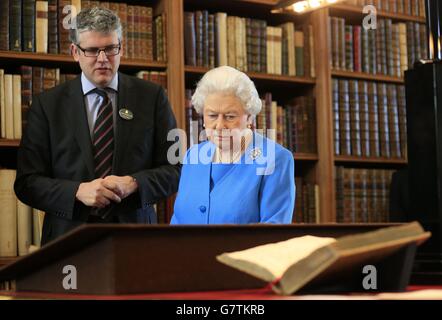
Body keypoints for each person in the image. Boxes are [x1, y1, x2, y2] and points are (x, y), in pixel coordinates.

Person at [14, 7, 180, 245]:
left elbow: (175, 169)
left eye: (111, 49)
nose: (103, 59)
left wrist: (135, 183)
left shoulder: (152, 97)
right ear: (75, 52)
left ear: (121, 47)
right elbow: (27, 182)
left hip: (135, 239)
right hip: (67, 241)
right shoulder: (47, 105)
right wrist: (77, 192)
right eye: (92, 50)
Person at [170, 66, 295, 224]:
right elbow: (178, 222)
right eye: (212, 115)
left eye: (230, 116)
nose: (219, 125)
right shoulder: (193, 156)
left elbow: (273, 233)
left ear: (249, 117)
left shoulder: (275, 159)